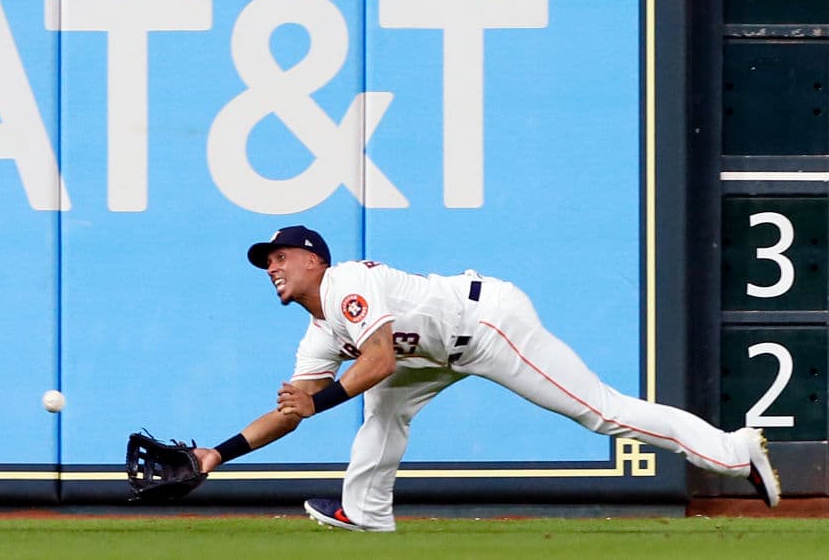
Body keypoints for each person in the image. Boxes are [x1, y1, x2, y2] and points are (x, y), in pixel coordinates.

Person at [192, 225, 781, 531]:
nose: (271, 266)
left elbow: (377, 363)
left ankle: (734, 452)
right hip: (437, 353)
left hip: (488, 323)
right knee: (385, 410)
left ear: (313, 259)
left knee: (598, 410)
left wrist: (317, 401)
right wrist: (216, 454)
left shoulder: (345, 282)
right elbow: (294, 408)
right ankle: (366, 513)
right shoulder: (320, 331)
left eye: (279, 255)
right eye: (265, 261)